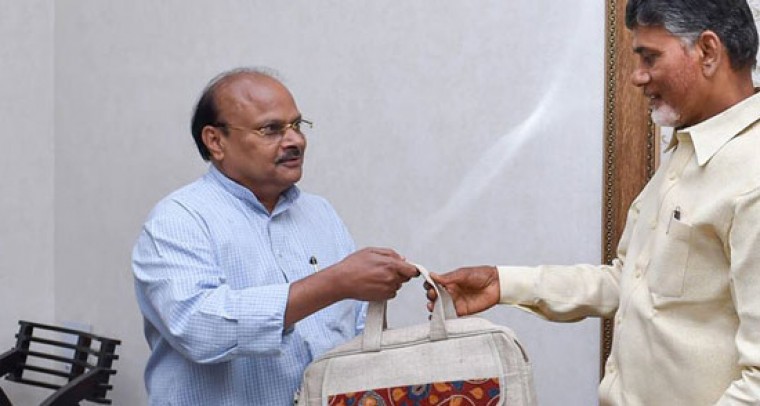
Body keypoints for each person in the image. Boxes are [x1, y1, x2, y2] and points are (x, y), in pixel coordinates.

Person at [427, 0, 760, 404]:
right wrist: (505, 284)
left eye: (650, 57)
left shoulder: (751, 173)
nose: (637, 76)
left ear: (707, 51)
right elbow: (629, 283)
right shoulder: (688, 149)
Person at [132, 67, 419, 405]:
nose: (296, 140)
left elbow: (357, 332)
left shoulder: (320, 213)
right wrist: (332, 284)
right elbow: (198, 328)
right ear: (216, 141)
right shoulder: (178, 220)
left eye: (296, 125)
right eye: (271, 129)